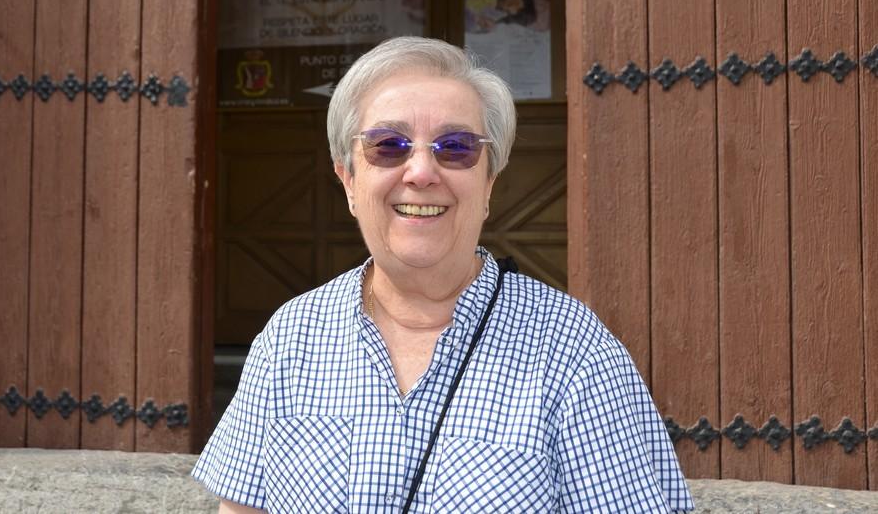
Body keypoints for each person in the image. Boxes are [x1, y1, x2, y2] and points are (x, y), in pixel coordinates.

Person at [193, 36, 694, 512]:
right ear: (348, 180)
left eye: (455, 147)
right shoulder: (291, 338)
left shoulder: (574, 353)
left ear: (489, 182)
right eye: (388, 145)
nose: (421, 172)